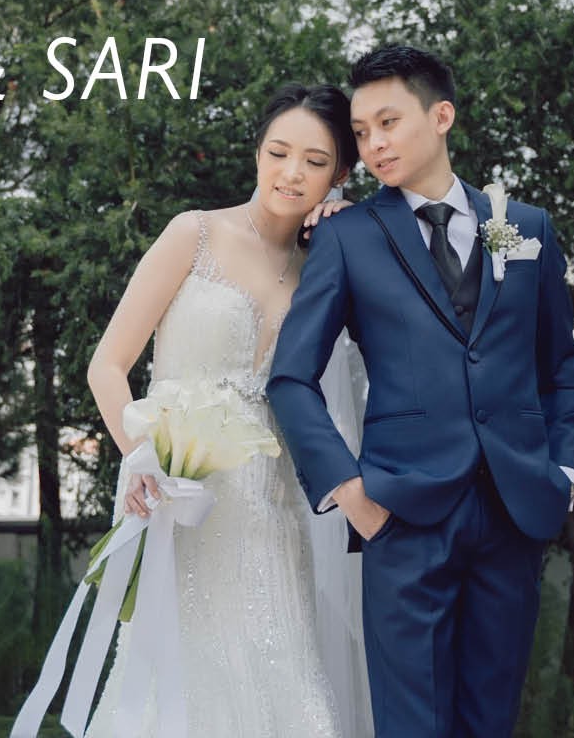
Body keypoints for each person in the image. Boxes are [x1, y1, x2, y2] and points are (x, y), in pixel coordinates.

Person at [267, 44, 574, 738]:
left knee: (490, 721)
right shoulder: (349, 236)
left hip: (514, 513)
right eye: (361, 132)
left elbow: (560, 369)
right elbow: (290, 378)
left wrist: (564, 473)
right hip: (402, 517)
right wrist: (351, 494)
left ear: (441, 116)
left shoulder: (525, 227)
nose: (374, 145)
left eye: (388, 123)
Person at [79, 83, 374, 737]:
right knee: (175, 696)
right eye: (278, 152)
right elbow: (107, 365)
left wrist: (354, 228)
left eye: (315, 162)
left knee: (280, 685)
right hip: (178, 500)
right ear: (257, 153)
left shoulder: (325, 266)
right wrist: (141, 458)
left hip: (272, 516)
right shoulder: (195, 233)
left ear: (340, 175)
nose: (291, 173)